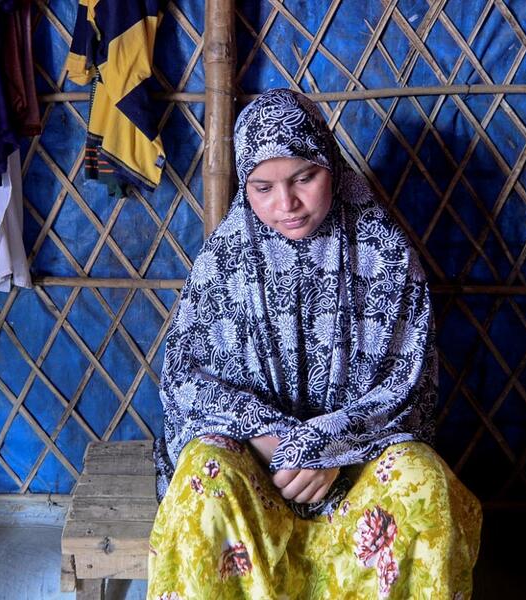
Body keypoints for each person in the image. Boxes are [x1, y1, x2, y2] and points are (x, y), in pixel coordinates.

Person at [149, 88, 482, 599]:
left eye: (305, 177)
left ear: (331, 161)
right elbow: (187, 378)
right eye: (262, 187)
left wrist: (328, 447)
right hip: (261, 468)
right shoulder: (225, 260)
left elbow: (408, 387)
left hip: (356, 464)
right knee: (204, 477)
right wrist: (269, 440)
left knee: (424, 484)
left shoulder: (384, 256)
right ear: (244, 185)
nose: (287, 205)